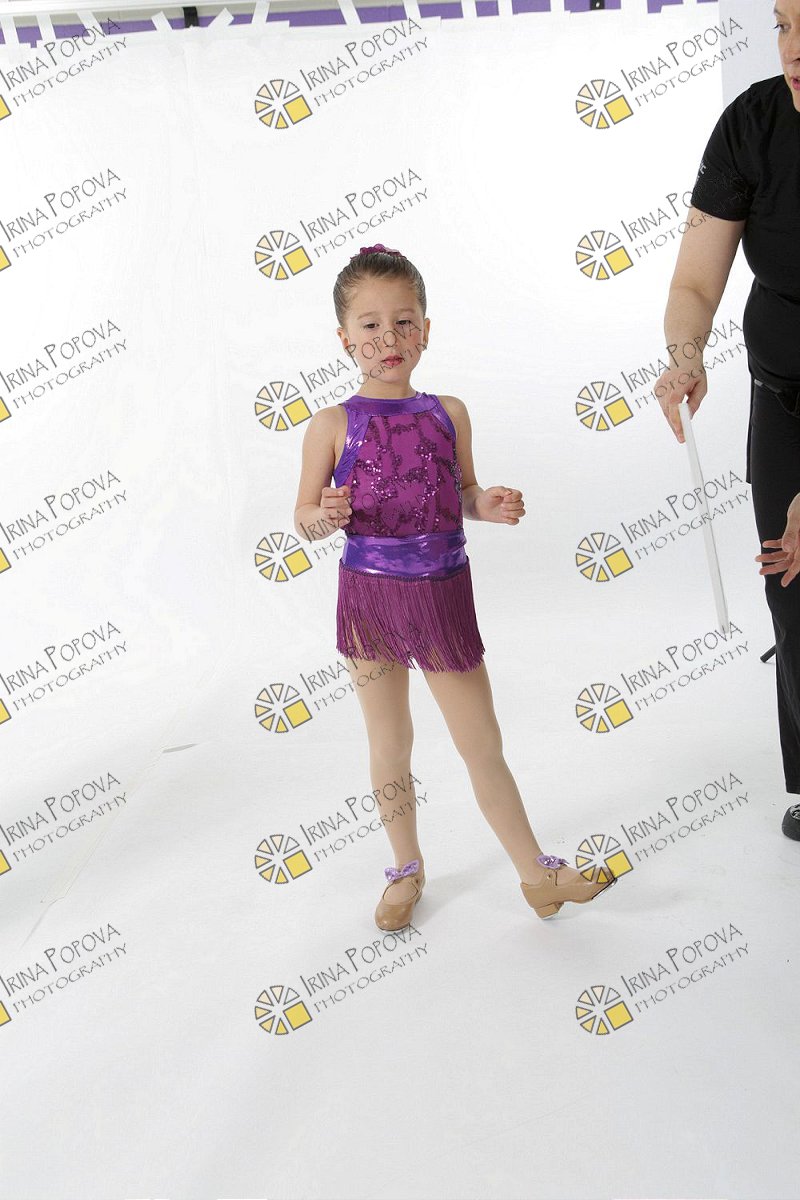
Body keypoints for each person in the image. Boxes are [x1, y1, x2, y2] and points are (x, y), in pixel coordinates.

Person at [293, 244, 617, 928]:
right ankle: (405, 868)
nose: (389, 338)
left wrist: (485, 505)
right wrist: (323, 514)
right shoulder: (332, 424)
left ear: (426, 330)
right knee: (390, 742)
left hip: (441, 593)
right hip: (370, 598)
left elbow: (461, 492)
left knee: (481, 742)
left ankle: (536, 875)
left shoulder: (448, 412)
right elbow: (303, 518)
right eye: (371, 325)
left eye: (404, 322)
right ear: (344, 337)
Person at [654, 1, 800, 842]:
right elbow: (695, 282)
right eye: (783, 24)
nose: (793, 49)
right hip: (783, 395)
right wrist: (686, 355)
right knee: (793, 579)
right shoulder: (752, 122)